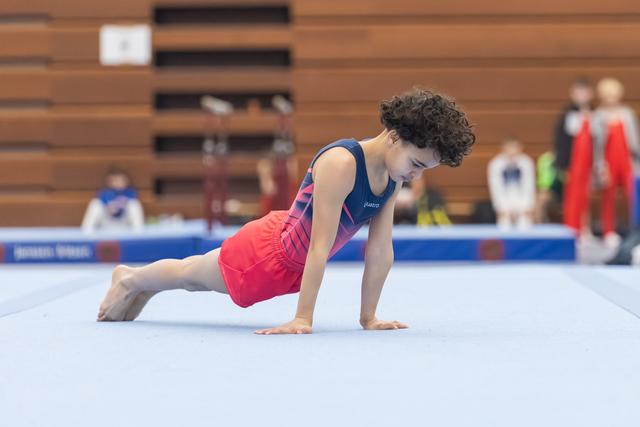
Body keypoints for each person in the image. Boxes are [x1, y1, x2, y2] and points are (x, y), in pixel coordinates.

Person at [97, 88, 475, 334]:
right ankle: (130, 279)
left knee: (193, 274)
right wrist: (303, 318)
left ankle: (142, 283)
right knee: (192, 275)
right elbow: (318, 246)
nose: (415, 175)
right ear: (395, 137)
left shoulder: (391, 175)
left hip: (296, 263)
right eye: (417, 164)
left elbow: (379, 251)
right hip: (267, 254)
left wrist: (368, 318)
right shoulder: (342, 163)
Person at [592, 78, 640, 248]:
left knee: (634, 196)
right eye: (607, 95)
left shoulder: (627, 114)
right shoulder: (598, 116)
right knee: (608, 197)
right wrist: (600, 167)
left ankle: (636, 231)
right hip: (608, 162)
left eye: (614, 94)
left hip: (627, 161)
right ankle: (608, 231)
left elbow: (634, 140)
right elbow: (597, 145)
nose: (611, 98)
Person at [487, 139, 536, 229]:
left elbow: (529, 185)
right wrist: (500, 206)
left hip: (521, 197)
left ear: (520, 149)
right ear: (503, 149)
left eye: (515, 148)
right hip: (504, 197)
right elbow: (495, 187)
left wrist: (528, 205)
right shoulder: (496, 163)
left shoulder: (526, 162)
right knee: (504, 222)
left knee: (524, 221)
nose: (512, 152)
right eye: (509, 148)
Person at [81, 168, 144, 233]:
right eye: (115, 180)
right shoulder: (103, 195)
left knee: (134, 204)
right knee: (95, 204)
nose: (118, 182)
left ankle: (138, 235)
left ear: (127, 181)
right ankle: (86, 235)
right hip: (105, 228)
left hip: (124, 228)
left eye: (121, 180)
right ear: (109, 181)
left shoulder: (131, 194)